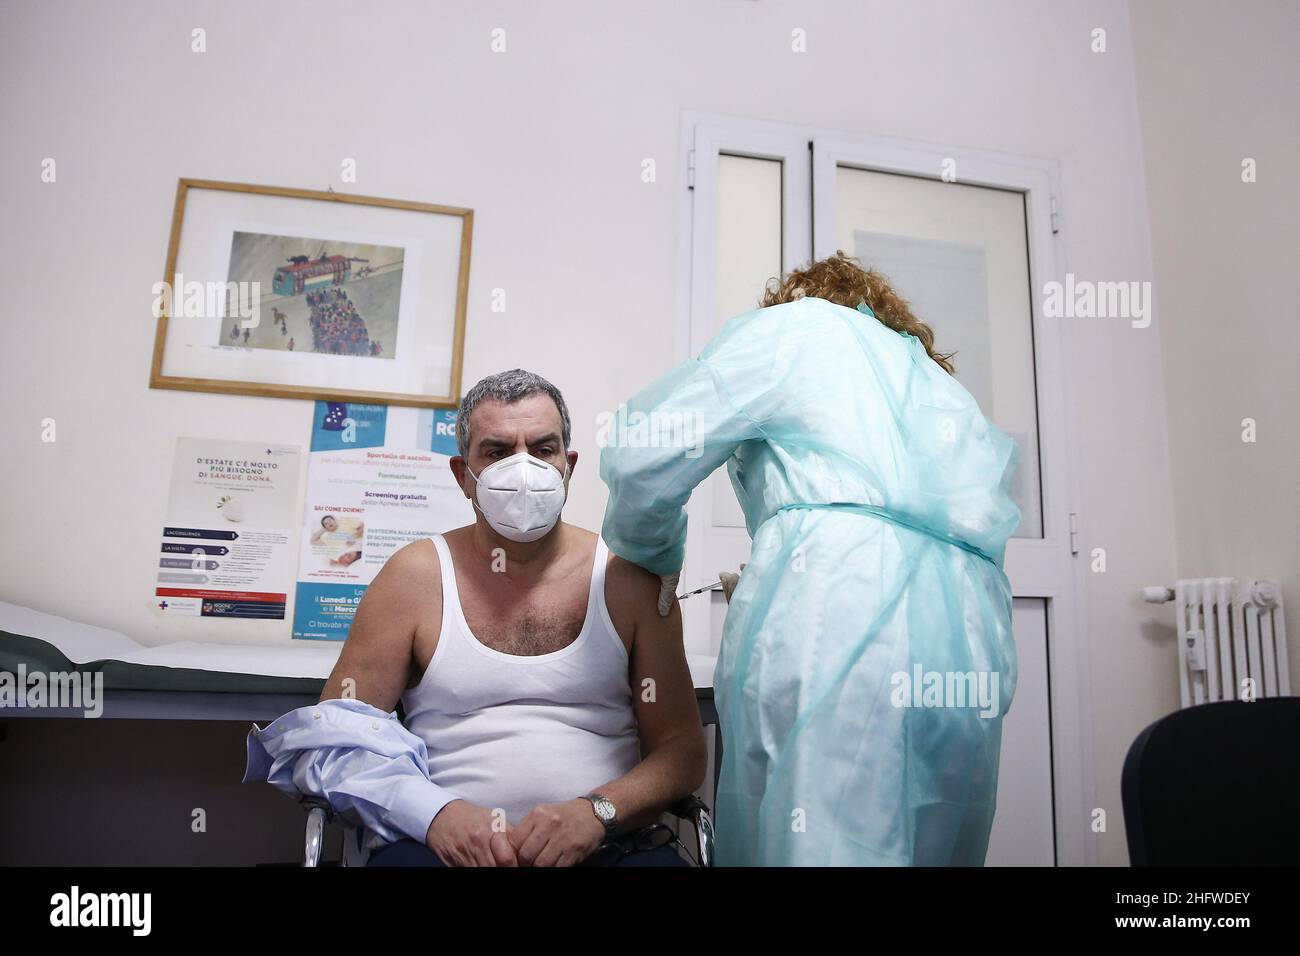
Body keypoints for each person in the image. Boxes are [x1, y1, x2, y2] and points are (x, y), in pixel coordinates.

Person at [599, 252, 1021, 866]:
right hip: (971, 634)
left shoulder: (796, 327)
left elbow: (646, 454)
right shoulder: (942, 388)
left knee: (821, 840)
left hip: (840, 606)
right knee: (936, 835)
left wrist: (654, 554)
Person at [245, 370, 706, 866]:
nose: (524, 468)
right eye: (498, 451)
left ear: (568, 466)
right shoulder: (414, 579)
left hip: (607, 844)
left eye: (543, 448)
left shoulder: (629, 578)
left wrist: (596, 813)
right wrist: (434, 814)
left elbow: (681, 751)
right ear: (463, 474)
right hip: (442, 850)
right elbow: (333, 737)